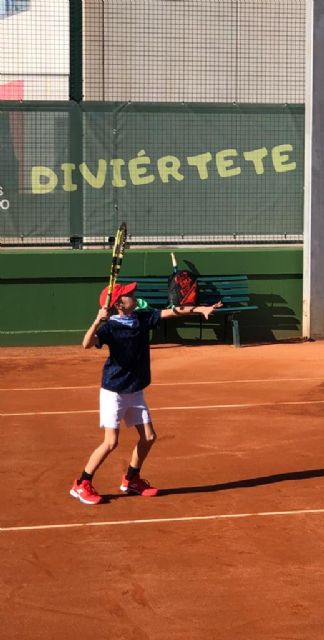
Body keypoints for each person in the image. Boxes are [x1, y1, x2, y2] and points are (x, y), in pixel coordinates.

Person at [70, 281, 223, 505]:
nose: (135, 295)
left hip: (135, 389)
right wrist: (97, 320)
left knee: (149, 437)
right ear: (119, 305)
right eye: (129, 294)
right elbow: (86, 344)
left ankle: (131, 479)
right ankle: (81, 484)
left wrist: (200, 309)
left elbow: (171, 312)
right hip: (114, 391)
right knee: (111, 442)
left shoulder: (141, 318)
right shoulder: (110, 327)